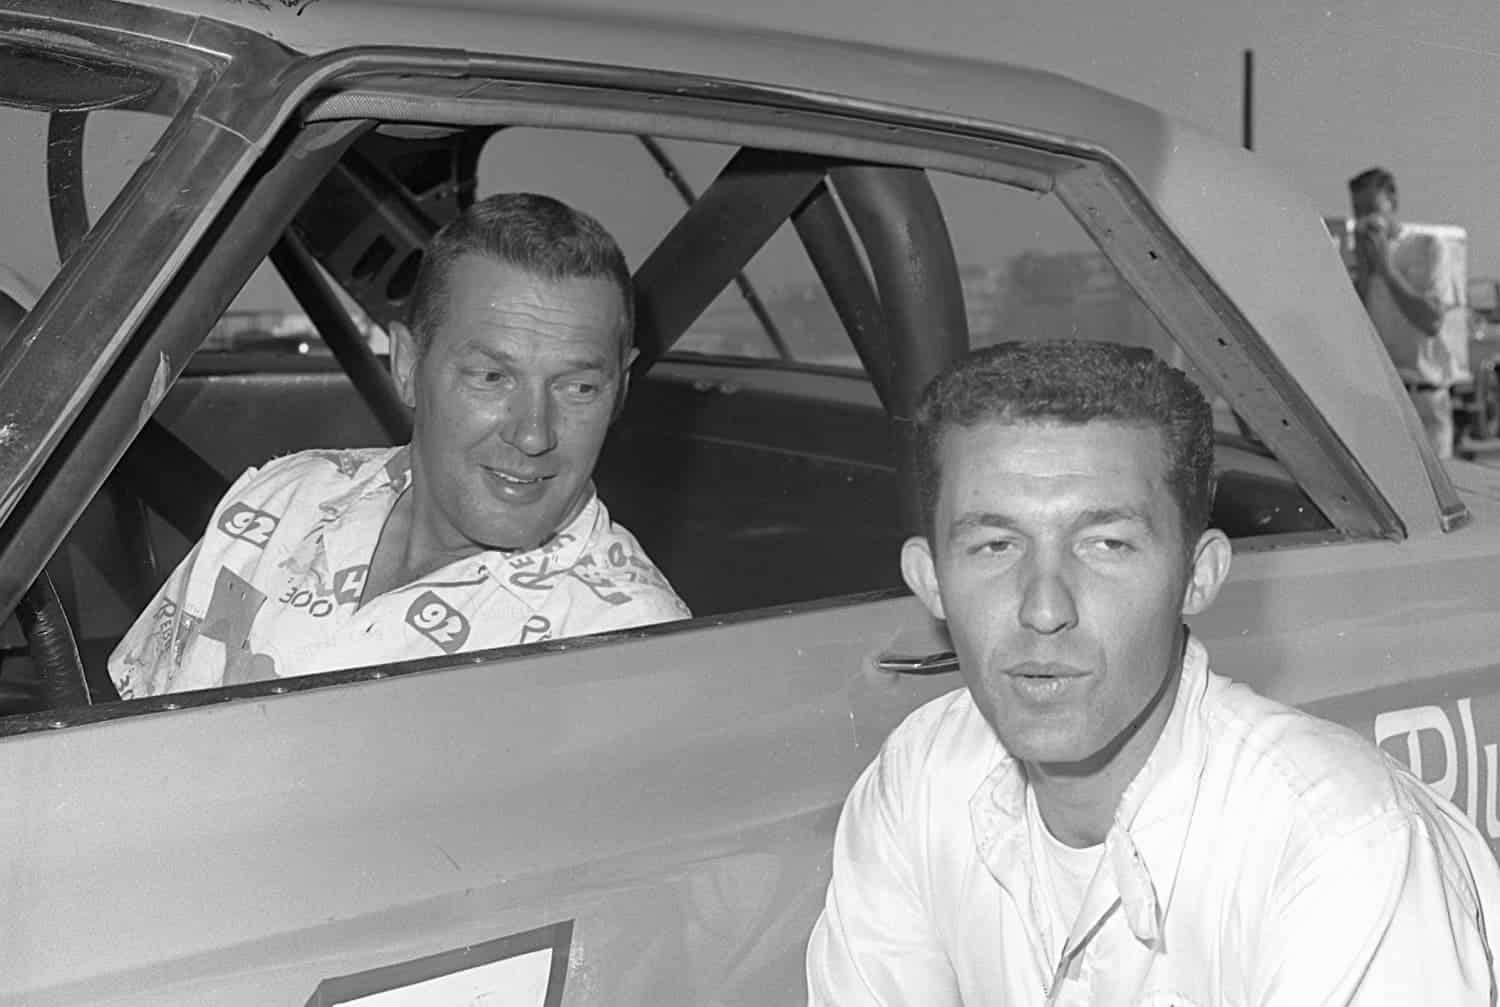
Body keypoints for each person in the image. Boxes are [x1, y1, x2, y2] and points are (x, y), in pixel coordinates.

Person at [806, 340, 1500, 1005]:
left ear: (1197, 576)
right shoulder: (920, 782)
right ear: (930, 582)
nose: (1044, 608)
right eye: (994, 545)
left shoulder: (1340, 845)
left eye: (1105, 543)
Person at [109, 193, 689, 699]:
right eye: (491, 378)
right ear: (409, 365)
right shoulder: (282, 498)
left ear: (621, 389)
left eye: (580, 387)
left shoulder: (629, 648)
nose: (533, 433)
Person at [1348, 166, 1462, 458]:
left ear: (1393, 205)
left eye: (1372, 209)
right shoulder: (1363, 262)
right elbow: (1354, 331)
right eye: (1358, 211)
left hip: (1425, 401)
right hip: (1384, 403)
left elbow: (1432, 321)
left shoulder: (1427, 248)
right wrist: (1363, 273)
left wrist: (1387, 269)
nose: (1366, 220)